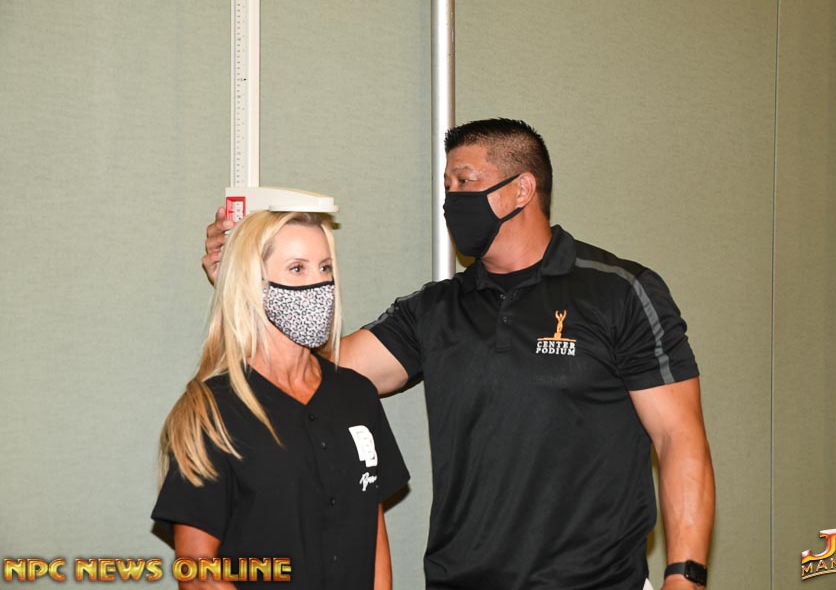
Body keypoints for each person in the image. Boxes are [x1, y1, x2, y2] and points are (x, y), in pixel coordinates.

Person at [203, 119, 715, 590]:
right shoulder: (437, 309)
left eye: (465, 182)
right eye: (447, 186)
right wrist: (247, 287)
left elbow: (678, 437)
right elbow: (309, 372)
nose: (452, 200)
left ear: (522, 189)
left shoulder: (619, 292)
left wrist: (685, 576)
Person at [156, 210, 409, 589]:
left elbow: (374, 535)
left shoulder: (357, 395)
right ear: (253, 284)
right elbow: (196, 569)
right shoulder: (211, 411)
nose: (318, 283)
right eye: (297, 269)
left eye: (325, 268)